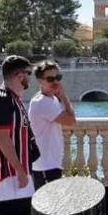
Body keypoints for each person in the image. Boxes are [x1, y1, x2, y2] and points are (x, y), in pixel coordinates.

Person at [0, 55, 39, 201]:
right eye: (29, 73)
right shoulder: (2, 100)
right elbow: (2, 138)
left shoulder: (13, 99)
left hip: (16, 173)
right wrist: (20, 171)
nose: (30, 78)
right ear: (20, 75)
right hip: (7, 175)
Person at [28, 60, 76, 189]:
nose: (55, 82)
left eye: (58, 77)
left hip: (49, 163)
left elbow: (68, 118)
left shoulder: (51, 99)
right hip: (45, 165)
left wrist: (60, 97)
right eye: (50, 79)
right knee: (47, 205)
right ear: (39, 81)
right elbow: (71, 121)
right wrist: (64, 96)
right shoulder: (42, 102)